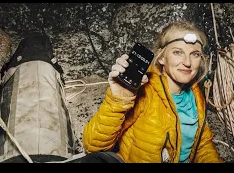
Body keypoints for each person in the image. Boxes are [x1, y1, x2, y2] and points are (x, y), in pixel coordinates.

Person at [81, 20, 224, 163]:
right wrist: (119, 100)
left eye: (195, 54)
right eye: (177, 52)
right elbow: (92, 146)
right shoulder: (145, 91)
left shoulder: (196, 96)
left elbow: (203, 145)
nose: (187, 62)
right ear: (161, 57)